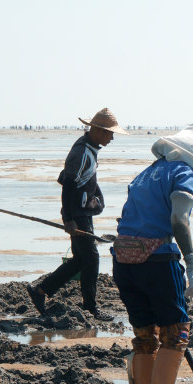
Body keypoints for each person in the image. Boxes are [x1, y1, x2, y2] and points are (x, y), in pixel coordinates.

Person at [112, 122, 193, 384]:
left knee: (145, 336)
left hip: (123, 259)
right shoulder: (183, 172)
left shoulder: (148, 172)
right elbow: (179, 220)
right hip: (156, 261)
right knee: (176, 333)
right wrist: (192, 265)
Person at [27, 108, 127, 318]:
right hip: (77, 214)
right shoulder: (81, 152)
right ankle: (90, 307)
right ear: (99, 131)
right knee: (91, 258)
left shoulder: (89, 148)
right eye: (110, 133)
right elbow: (68, 185)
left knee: (81, 259)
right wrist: (69, 219)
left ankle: (40, 291)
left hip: (82, 212)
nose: (112, 137)